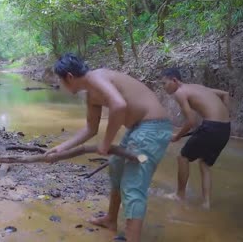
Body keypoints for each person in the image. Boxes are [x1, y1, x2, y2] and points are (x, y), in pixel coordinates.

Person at [45, 53, 172, 242]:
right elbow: (90, 129)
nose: (61, 85)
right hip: (138, 128)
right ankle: (111, 220)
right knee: (117, 165)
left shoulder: (97, 77)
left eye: (61, 80)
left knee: (133, 183)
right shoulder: (91, 94)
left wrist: (106, 143)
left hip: (153, 128)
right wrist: (61, 148)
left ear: (70, 77)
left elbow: (119, 105)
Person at [161, 68, 230, 209]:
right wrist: (225, 115)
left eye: (164, 83)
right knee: (204, 164)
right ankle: (206, 203)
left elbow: (191, 121)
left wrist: (177, 136)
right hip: (225, 129)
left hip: (211, 127)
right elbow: (225, 94)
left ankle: (179, 195)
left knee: (182, 157)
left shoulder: (180, 93)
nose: (164, 87)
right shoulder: (198, 87)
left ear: (174, 80)